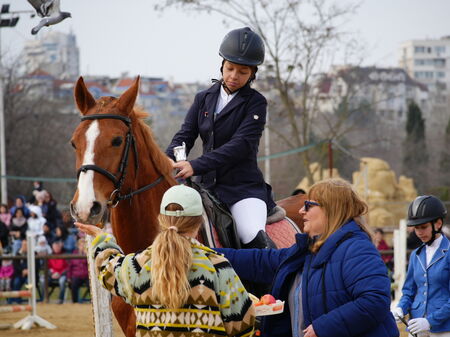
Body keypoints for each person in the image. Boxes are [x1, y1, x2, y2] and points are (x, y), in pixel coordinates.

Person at [216, 178, 399, 337]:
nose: (302, 211)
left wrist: (323, 328)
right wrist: (207, 254)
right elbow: (261, 261)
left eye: (309, 205)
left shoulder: (357, 249)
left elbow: (375, 301)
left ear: (330, 210)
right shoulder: (308, 250)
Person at [75, 184, 255, 337]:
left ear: (161, 219)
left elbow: (107, 269)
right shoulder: (218, 267)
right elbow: (242, 326)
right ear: (199, 221)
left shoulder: (138, 266)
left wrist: (102, 238)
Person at [166, 27, 276, 250]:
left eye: (243, 72)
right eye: (230, 68)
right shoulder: (203, 98)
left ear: (253, 73)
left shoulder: (256, 103)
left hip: (242, 190)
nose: (234, 76)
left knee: (251, 234)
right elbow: (186, 135)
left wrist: (195, 165)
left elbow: (241, 146)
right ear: (222, 65)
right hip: (205, 188)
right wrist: (170, 158)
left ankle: (272, 279)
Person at [392, 195, 450, 337]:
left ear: (438, 224)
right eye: (416, 228)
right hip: (416, 327)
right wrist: (401, 307)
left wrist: (430, 321)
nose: (419, 232)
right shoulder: (415, 255)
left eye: (423, 227)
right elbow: (409, 291)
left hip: (444, 329)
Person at [67, 238, 89, 303]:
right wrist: (69, 277)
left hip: (86, 275)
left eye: (84, 245)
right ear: (78, 245)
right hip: (76, 275)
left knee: (91, 286)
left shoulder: (88, 253)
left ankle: (92, 301)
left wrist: (86, 253)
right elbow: (70, 267)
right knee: (73, 285)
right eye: (81, 245)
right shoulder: (74, 253)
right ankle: (75, 302)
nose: (82, 246)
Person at [48, 240, 68, 304]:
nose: (56, 248)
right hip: (52, 275)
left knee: (62, 281)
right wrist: (52, 274)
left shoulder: (65, 255)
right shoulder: (49, 256)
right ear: (52, 247)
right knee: (43, 280)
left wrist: (60, 274)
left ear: (60, 247)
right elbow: (47, 267)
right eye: (55, 247)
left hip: (62, 275)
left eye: (57, 247)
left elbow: (67, 267)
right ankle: (44, 298)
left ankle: (60, 299)